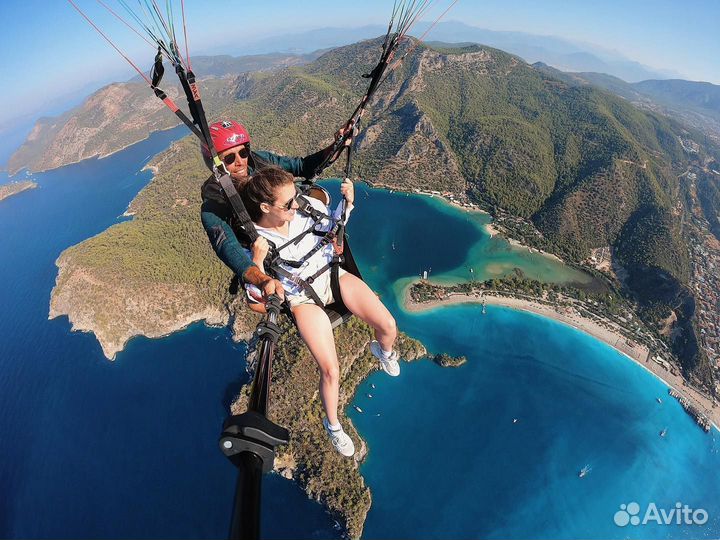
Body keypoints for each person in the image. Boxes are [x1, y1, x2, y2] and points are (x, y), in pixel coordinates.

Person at [240, 166, 400, 457]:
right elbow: (255, 296)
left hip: (333, 276)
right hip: (303, 299)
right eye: (287, 203)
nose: (295, 205)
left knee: (388, 326)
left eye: (295, 197)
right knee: (331, 370)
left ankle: (384, 351)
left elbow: (335, 224)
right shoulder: (258, 240)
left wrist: (347, 203)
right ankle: (334, 425)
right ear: (265, 207)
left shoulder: (307, 207)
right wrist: (258, 261)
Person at [200, 119, 351, 300]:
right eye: (230, 158)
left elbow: (303, 166)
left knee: (316, 199)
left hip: (290, 234)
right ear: (214, 163)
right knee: (257, 303)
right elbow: (227, 247)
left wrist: (337, 145)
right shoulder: (214, 202)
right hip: (266, 253)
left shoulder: (259, 161)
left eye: (243, 151)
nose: (240, 162)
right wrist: (261, 279)